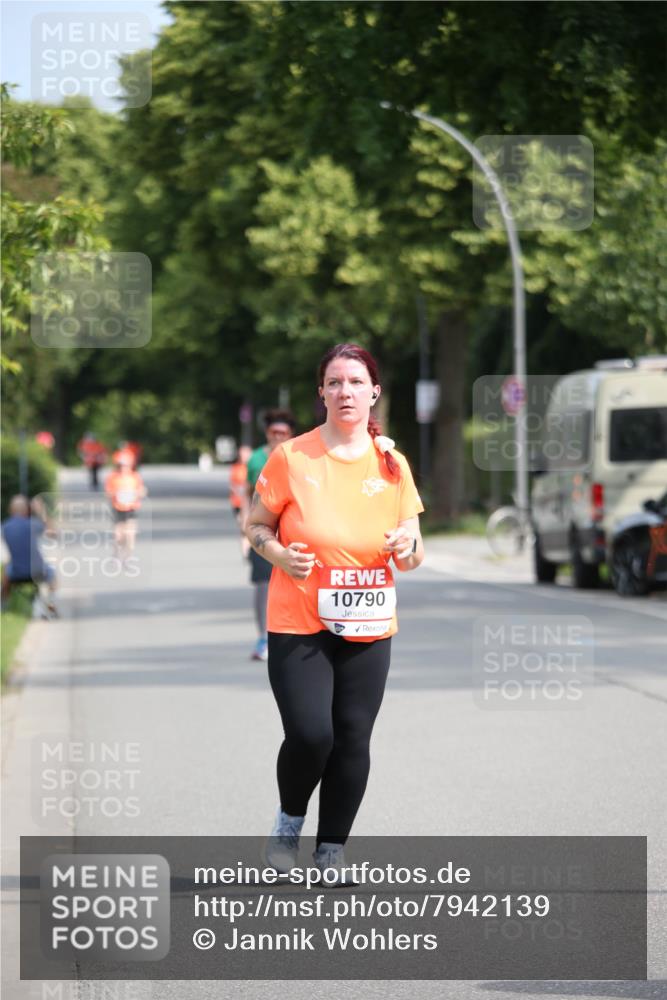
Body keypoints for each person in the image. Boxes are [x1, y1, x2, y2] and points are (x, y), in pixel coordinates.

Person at [245, 344, 424, 880]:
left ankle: (331, 849)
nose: (345, 392)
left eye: (355, 382)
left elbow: (415, 548)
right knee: (311, 733)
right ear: (320, 393)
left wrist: (405, 549)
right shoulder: (291, 458)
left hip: (369, 620)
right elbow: (256, 526)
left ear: (374, 393)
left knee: (351, 736)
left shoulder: (392, 464)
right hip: (299, 618)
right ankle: (289, 821)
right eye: (334, 383)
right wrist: (279, 553)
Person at [245, 410, 296, 661]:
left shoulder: (298, 457)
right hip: (264, 532)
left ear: (290, 435)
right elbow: (247, 493)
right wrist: (246, 528)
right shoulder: (256, 459)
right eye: (274, 433)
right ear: (267, 434)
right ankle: (263, 637)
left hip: (291, 534)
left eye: (283, 433)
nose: (278, 437)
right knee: (263, 584)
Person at [1, 495, 57, 613]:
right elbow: (53, 533)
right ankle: (51, 604)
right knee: (52, 573)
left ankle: (3, 607)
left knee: (6, 570)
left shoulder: (5, 527)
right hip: (38, 571)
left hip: (15, 573)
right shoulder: (33, 524)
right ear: (27, 510)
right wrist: (42, 511)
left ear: (11, 510)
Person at [104, 453, 147, 560]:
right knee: (119, 534)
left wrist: (138, 493)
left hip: (131, 507)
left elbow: (142, 490)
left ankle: (128, 555)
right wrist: (116, 494)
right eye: (121, 465)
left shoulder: (134, 476)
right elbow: (107, 493)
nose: (124, 468)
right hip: (118, 507)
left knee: (130, 532)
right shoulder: (113, 477)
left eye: (126, 465)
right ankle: (117, 552)